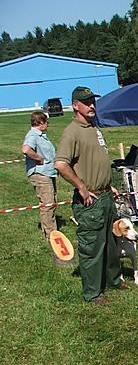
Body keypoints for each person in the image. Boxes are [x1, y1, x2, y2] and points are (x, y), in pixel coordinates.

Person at [54, 86, 123, 304]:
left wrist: (108, 185)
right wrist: (81, 187)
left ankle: (113, 279)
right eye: (87, 102)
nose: (92, 105)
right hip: (90, 200)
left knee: (112, 242)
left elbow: (95, 160)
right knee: (92, 247)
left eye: (93, 101)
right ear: (75, 105)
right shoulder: (72, 132)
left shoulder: (93, 126)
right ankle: (93, 293)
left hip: (105, 196)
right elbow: (61, 164)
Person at [21, 111, 70, 266]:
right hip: (40, 174)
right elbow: (26, 149)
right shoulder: (33, 135)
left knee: (51, 202)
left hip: (48, 173)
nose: (48, 125)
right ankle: (51, 235)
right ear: (41, 122)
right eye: (47, 122)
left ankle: (50, 230)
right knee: (47, 204)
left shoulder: (40, 135)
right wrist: (39, 158)